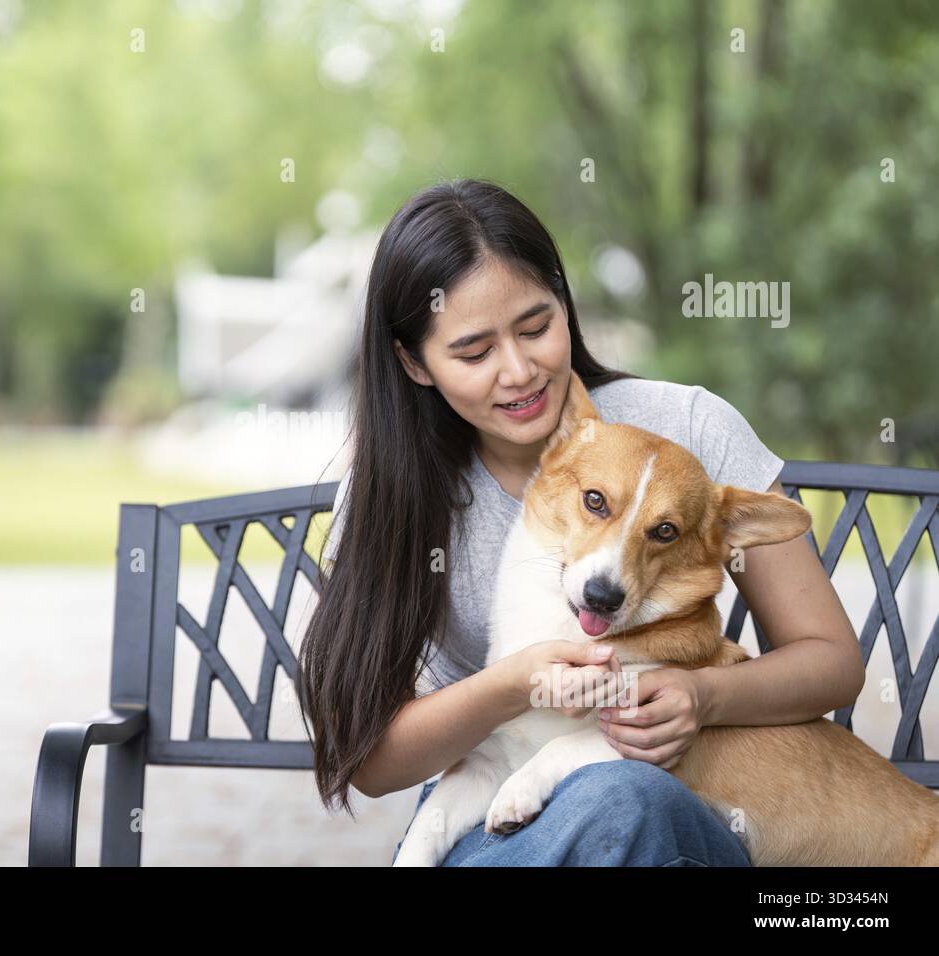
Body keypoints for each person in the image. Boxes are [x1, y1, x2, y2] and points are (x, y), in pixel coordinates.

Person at [296, 178, 864, 866]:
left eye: (536, 326)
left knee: (626, 802)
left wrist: (703, 696)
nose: (520, 371)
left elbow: (832, 662)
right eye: (474, 352)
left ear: (566, 305)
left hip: (671, 811)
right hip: (496, 801)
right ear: (414, 362)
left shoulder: (687, 426)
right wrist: (514, 684)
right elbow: (373, 761)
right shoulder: (392, 497)